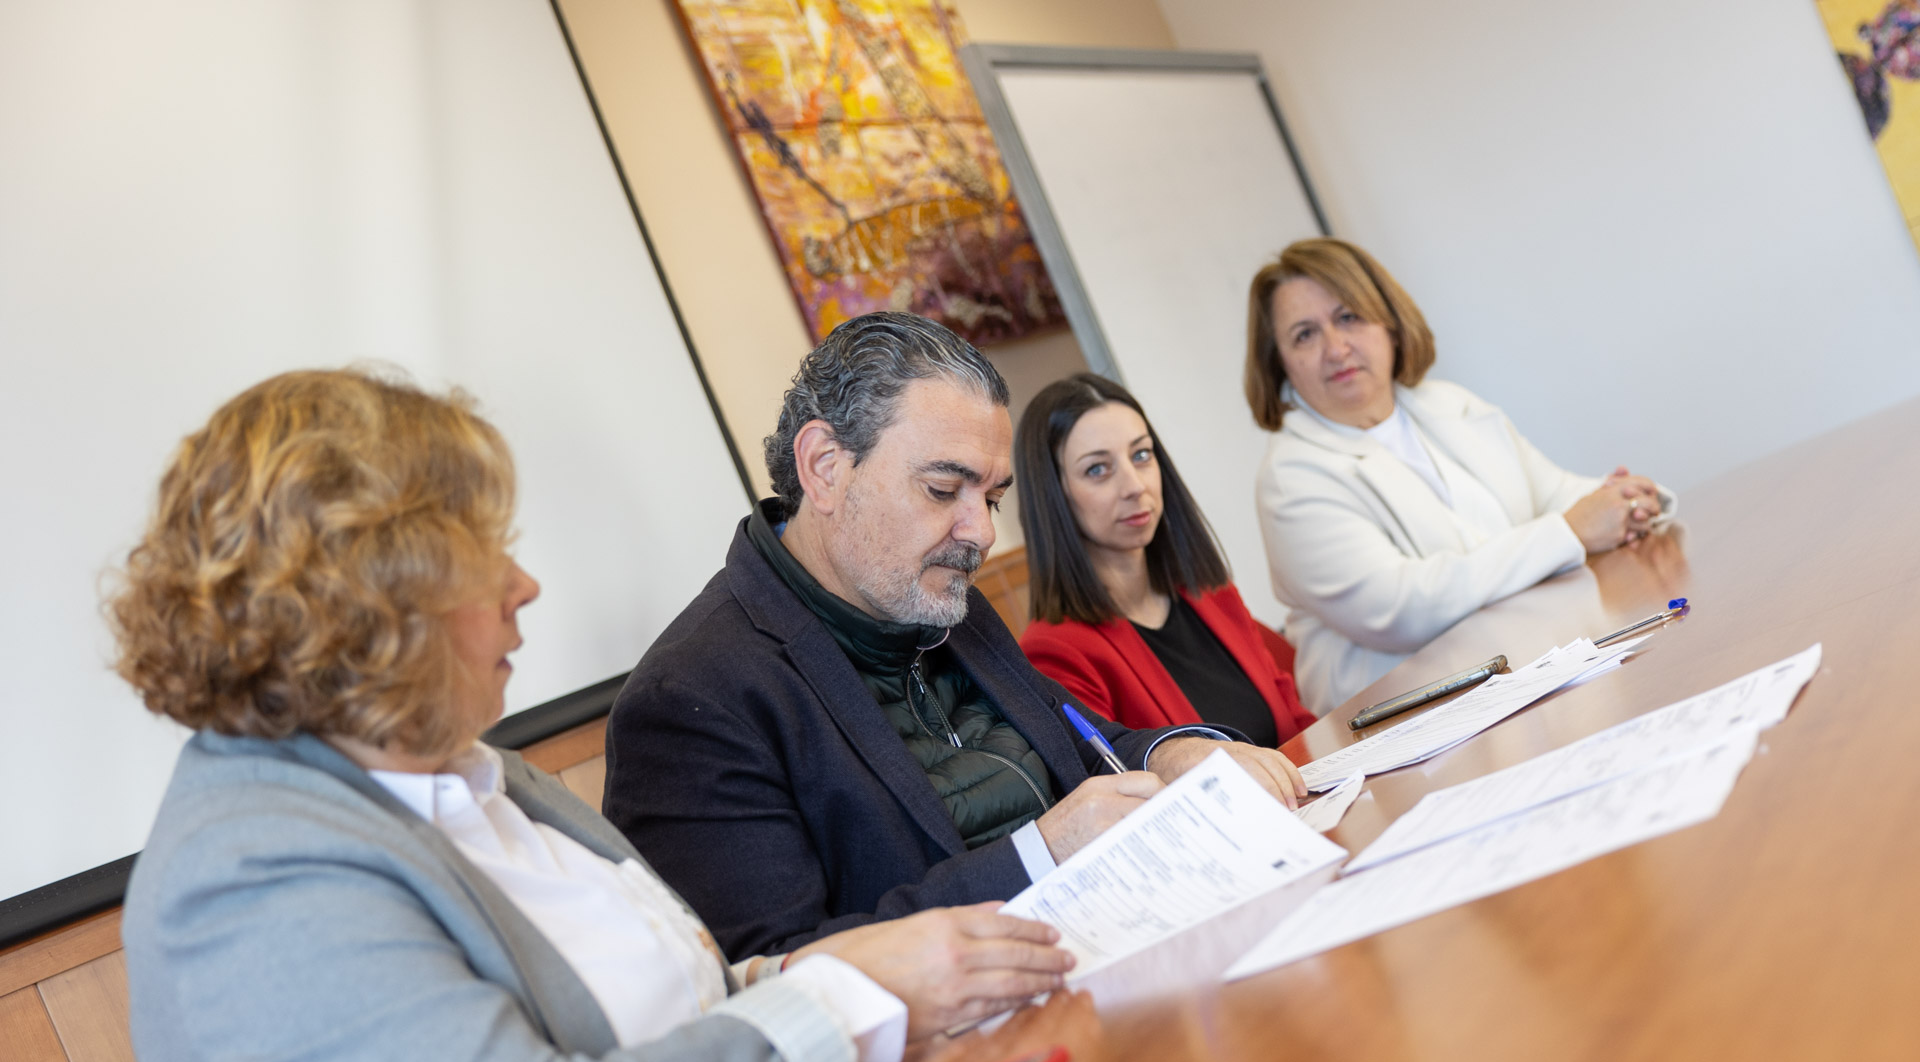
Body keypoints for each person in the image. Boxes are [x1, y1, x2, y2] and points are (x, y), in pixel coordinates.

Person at [110, 369, 1074, 1062]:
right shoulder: (247, 876)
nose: (523, 585)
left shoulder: (477, 773)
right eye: (483, 552)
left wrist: (824, 973)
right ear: (363, 594)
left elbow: (675, 1013)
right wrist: (842, 996)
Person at [604, 312, 1307, 962]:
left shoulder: (937, 595)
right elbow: (772, 975)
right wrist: (1042, 853)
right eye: (943, 490)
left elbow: (1087, 744)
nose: (982, 533)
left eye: (993, 498)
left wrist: (1174, 753)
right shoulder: (689, 699)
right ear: (824, 466)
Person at [1245, 238, 1676, 712]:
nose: (1336, 347)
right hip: (1413, 717)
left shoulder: (1448, 404)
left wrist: (1624, 502)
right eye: (1305, 335)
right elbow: (1403, 608)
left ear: (1390, 324)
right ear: (1278, 363)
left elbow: (1553, 493)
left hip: (1528, 667)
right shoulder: (1290, 478)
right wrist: (1570, 532)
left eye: (1349, 317)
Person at [1014, 372, 1314, 748]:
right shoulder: (1055, 653)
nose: (1135, 486)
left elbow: (1298, 725)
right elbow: (1117, 778)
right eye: (1097, 469)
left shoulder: (1211, 592)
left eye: (1141, 455)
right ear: (1052, 495)